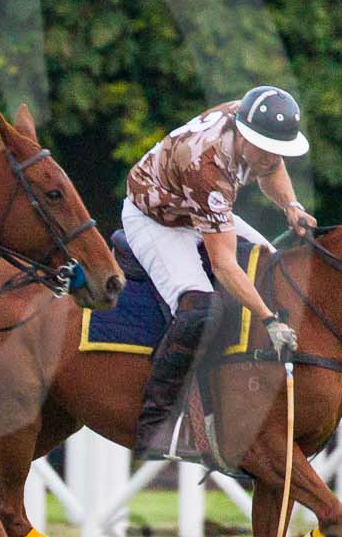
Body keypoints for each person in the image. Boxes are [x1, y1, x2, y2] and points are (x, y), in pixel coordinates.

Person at [126, 85, 318, 461]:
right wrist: (268, 319)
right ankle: (157, 423)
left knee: (272, 264)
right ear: (245, 136)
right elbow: (224, 264)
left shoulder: (251, 122)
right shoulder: (208, 167)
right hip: (157, 219)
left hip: (196, 207)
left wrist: (291, 206)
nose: (271, 158)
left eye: (277, 150)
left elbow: (271, 168)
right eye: (264, 149)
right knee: (201, 308)